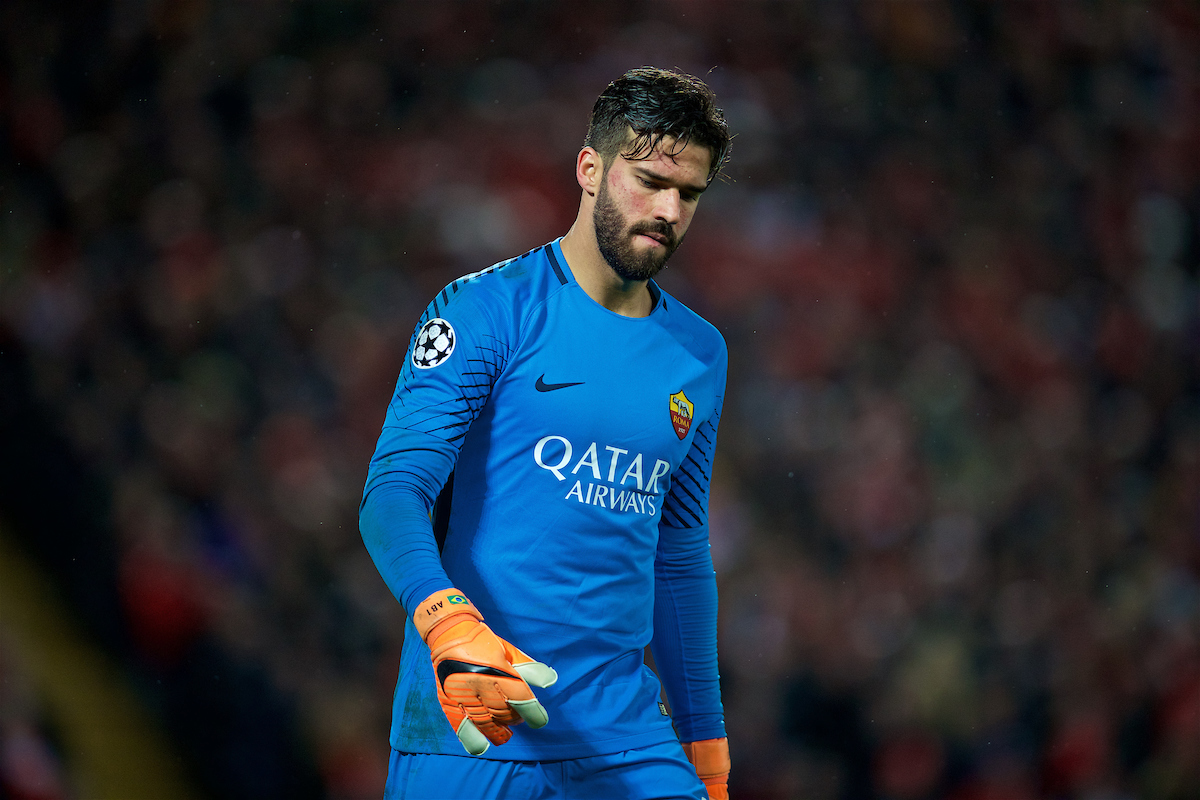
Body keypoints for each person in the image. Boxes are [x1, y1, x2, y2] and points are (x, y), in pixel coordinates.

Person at [360, 66, 732, 800]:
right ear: (590, 169)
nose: (668, 210)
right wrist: (444, 622)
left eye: (688, 193)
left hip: (626, 742)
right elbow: (393, 492)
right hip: (474, 727)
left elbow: (680, 557)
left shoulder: (700, 354)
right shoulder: (485, 311)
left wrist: (708, 749)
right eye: (649, 180)